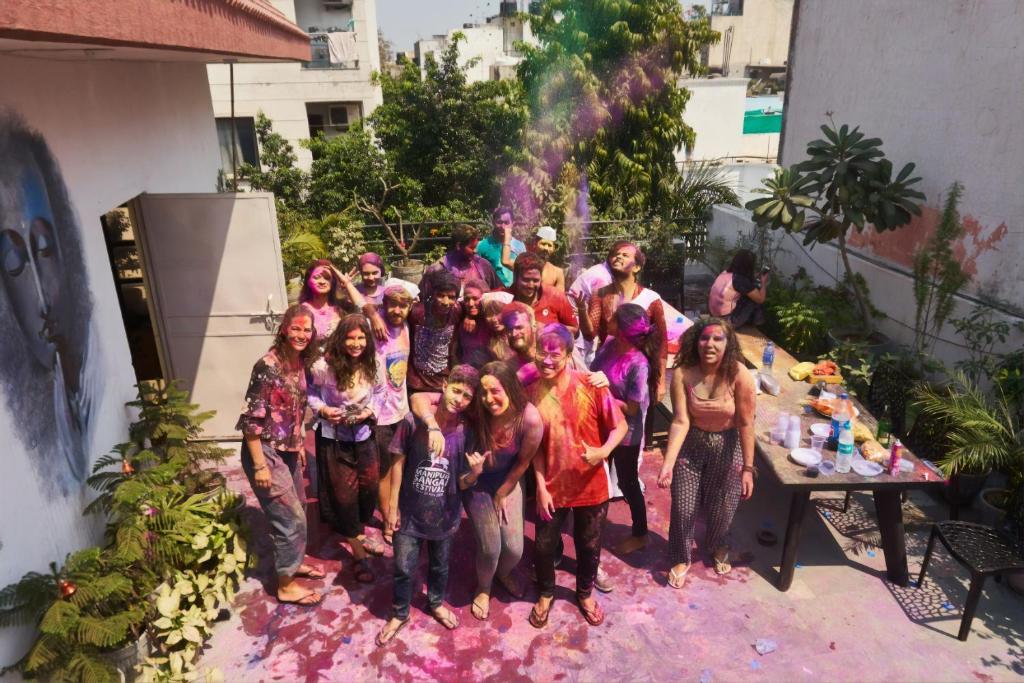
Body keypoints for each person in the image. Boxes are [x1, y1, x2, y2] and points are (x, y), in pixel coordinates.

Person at [416, 361, 543, 620]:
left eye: (495, 391)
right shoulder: (477, 409)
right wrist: (430, 424)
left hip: (508, 480)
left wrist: (503, 492)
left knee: (514, 549)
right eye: (483, 392)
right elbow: (418, 397)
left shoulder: (529, 418)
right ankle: (484, 587)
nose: (488, 399)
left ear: (510, 387)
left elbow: (523, 462)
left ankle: (502, 574)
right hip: (476, 481)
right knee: (490, 548)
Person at [377, 365, 485, 646]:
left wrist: (474, 474)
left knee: (440, 567)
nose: (459, 399)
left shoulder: (466, 431)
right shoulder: (413, 422)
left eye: (467, 396)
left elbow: (461, 483)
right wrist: (391, 508)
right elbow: (397, 465)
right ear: (444, 385)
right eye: (456, 390)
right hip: (409, 515)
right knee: (403, 567)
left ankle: (435, 602)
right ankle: (400, 613)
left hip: (446, 516)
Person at [527, 324, 627, 629]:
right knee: (544, 545)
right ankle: (546, 593)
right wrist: (541, 486)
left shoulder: (591, 384)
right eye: (541, 352)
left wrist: (603, 452)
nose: (546, 359)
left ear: (570, 355)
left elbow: (620, 427)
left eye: (554, 354)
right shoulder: (532, 391)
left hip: (591, 484)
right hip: (554, 486)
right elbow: (537, 446)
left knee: (588, 544)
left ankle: (584, 594)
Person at [657, 318, 757, 589]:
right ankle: (680, 556)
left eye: (717, 339)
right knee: (683, 506)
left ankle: (718, 544)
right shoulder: (683, 373)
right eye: (704, 338)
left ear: (728, 344)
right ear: (695, 341)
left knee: (723, 507)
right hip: (692, 444)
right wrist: (668, 463)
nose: (709, 344)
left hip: (727, 445)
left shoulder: (740, 374)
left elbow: (747, 423)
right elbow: (680, 421)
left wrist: (748, 469)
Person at [236, 304, 323, 605]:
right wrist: (260, 466)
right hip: (266, 452)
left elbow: (295, 412)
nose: (301, 334)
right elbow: (251, 419)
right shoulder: (268, 365)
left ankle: (293, 564)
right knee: (290, 520)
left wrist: (298, 447)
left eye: (306, 329)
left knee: (298, 508)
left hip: (287, 449)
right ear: (285, 328)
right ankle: (285, 584)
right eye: (296, 328)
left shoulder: (299, 362)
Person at [308, 314, 386, 583]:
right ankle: (359, 555)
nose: (356, 343)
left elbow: (380, 392)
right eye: (350, 337)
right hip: (334, 439)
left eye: (361, 337)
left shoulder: (374, 362)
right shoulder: (323, 366)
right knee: (345, 496)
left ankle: (359, 531)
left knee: (370, 488)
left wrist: (368, 411)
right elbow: (312, 394)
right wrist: (324, 409)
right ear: (340, 339)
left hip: (364, 436)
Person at [590, 304, 657, 556]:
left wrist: (605, 391)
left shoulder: (639, 364)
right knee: (595, 473)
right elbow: (591, 371)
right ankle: (592, 519)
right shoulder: (609, 344)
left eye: (614, 319)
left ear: (623, 328)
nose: (608, 319)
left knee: (628, 483)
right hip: (600, 422)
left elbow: (631, 409)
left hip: (625, 432)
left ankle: (640, 533)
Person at [583, 241, 667, 399]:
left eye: (625, 255)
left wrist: (661, 382)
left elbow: (662, 343)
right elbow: (590, 334)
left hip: (640, 374)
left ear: (637, 267)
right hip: (606, 371)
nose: (618, 257)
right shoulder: (599, 294)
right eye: (615, 254)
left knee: (638, 420)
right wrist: (582, 310)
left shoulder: (651, 299)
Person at [374, 284, 414, 545]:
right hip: (378, 414)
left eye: (403, 305)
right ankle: (388, 517)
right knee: (384, 468)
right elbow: (356, 304)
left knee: (400, 465)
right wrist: (371, 311)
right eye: (392, 304)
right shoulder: (375, 328)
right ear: (383, 305)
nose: (397, 310)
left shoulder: (408, 328)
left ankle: (394, 509)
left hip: (401, 409)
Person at [407, 270, 462, 392]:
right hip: (417, 381)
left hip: (444, 378)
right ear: (433, 294)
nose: (446, 302)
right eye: (441, 295)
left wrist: (471, 317)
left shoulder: (457, 312)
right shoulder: (417, 313)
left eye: (451, 297)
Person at [423, 224, 501, 298]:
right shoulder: (438, 269)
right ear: (458, 246)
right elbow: (423, 299)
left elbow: (499, 291)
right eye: (472, 247)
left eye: (476, 247)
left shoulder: (483, 266)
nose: (476, 251)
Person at [508, 252, 578, 333]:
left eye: (535, 280)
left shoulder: (555, 296)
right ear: (515, 277)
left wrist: (547, 329)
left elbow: (575, 330)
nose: (530, 285)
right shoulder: (504, 298)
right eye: (526, 280)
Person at [707, 249, 769, 328]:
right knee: (754, 298)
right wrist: (763, 282)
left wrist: (753, 277)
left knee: (748, 293)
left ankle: (753, 322)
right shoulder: (740, 280)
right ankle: (758, 323)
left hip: (713, 315)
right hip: (727, 321)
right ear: (750, 265)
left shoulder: (725, 273)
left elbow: (742, 283)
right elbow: (761, 299)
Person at [298, 259, 347, 343]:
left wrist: (347, 283)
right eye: (317, 277)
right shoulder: (301, 311)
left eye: (327, 278)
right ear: (308, 282)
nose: (322, 282)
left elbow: (363, 308)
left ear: (333, 282)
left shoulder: (341, 308)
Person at [476, 206, 526, 287]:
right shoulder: (482, 246)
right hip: (491, 292)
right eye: (499, 222)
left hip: (514, 292)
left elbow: (524, 271)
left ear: (512, 223)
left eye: (506, 223)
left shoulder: (520, 246)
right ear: (493, 222)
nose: (503, 227)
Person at [455, 278, 493, 368]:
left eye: (475, 298)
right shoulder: (461, 320)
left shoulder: (493, 322)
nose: (470, 303)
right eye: (467, 299)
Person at [530, 225, 565, 291]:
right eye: (543, 244)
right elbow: (506, 261)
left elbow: (559, 298)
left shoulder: (558, 273)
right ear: (535, 244)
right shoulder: (524, 266)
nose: (546, 248)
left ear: (554, 248)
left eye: (549, 245)